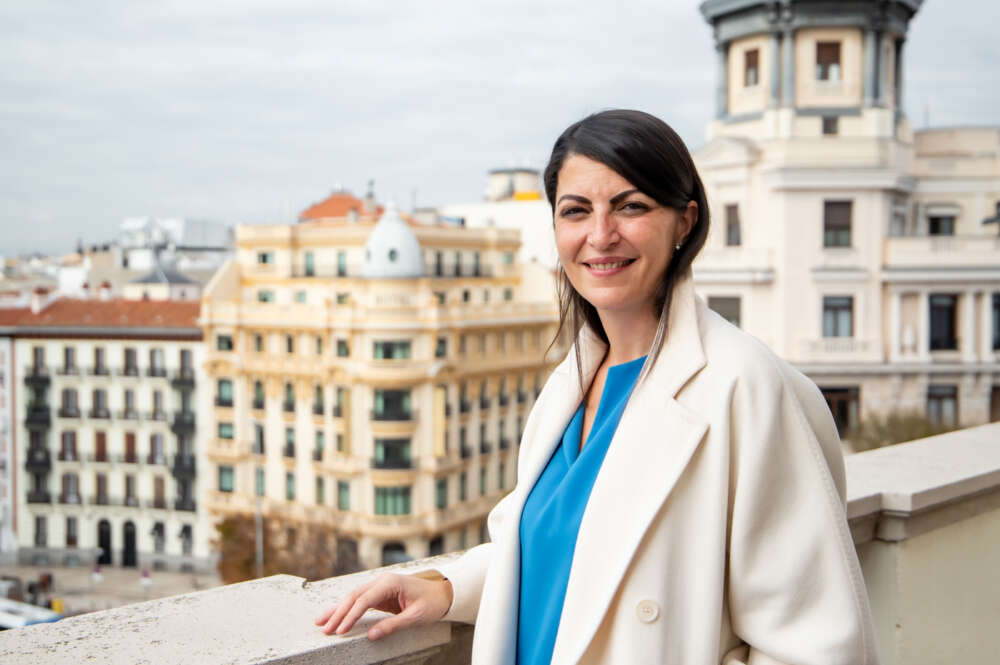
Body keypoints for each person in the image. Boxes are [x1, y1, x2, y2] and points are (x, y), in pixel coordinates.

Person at [314, 109, 878, 665]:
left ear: (684, 222)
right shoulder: (568, 385)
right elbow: (575, 553)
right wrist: (445, 588)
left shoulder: (746, 386)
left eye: (631, 207)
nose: (600, 235)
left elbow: (816, 645)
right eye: (576, 211)